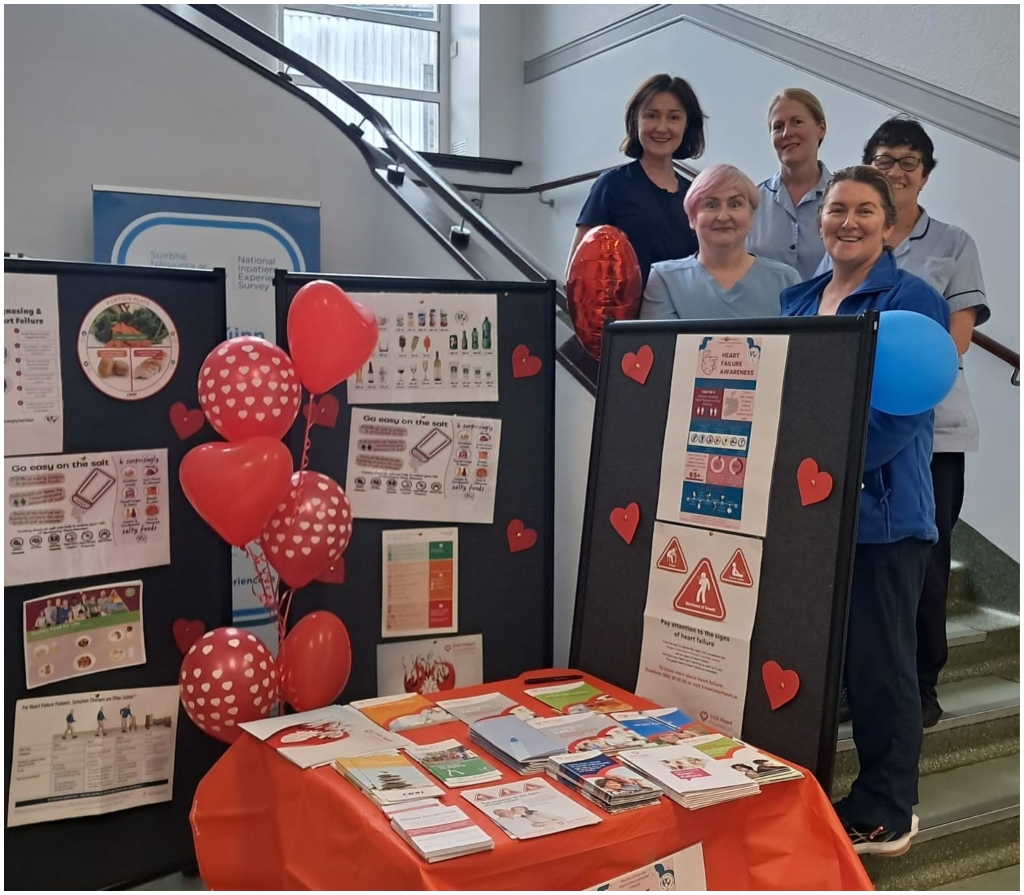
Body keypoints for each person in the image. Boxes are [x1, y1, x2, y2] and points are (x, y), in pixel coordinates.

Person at [781, 166, 949, 857]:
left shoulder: (913, 300)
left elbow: (901, 409)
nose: (848, 221)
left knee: (882, 669)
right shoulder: (800, 299)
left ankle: (888, 806)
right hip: (808, 513)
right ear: (821, 219)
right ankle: (806, 788)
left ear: (887, 222)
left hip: (882, 519)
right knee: (816, 662)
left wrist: (819, 470)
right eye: (837, 209)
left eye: (864, 210)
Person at [862, 117, 991, 729]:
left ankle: (922, 683)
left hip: (936, 432)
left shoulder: (953, 243)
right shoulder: (854, 229)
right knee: (861, 564)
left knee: (928, 562)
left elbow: (955, 340)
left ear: (926, 173)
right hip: (863, 432)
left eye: (908, 161)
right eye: (884, 159)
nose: (896, 171)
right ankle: (859, 678)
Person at [568, 74, 707, 290]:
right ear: (635, 120)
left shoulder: (695, 193)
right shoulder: (611, 185)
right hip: (628, 321)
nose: (661, 127)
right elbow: (576, 271)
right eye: (651, 116)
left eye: (673, 117)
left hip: (684, 319)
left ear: (687, 125)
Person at [639, 164, 800, 320]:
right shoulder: (664, 280)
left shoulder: (786, 281)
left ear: (751, 217)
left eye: (734, 204)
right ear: (692, 218)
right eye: (711, 205)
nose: (723, 216)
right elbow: (659, 346)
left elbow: (798, 346)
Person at [747, 88, 831, 279]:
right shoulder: (750, 202)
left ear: (821, 128)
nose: (787, 133)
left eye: (797, 122)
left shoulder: (844, 201)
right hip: (765, 309)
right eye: (778, 126)